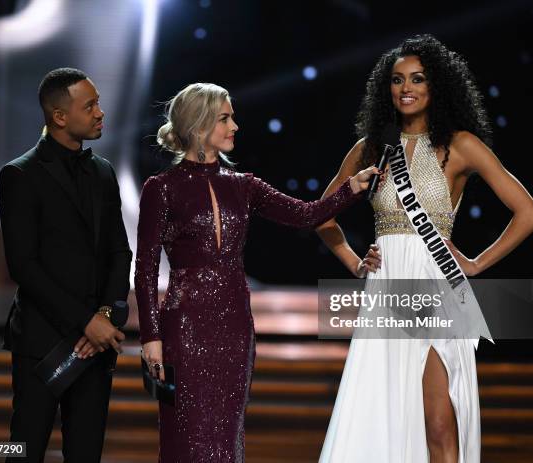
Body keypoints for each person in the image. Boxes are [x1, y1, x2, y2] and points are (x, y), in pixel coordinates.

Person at [316, 35, 533, 463]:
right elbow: (322, 214)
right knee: (386, 414)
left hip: (437, 283)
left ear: (436, 86)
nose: (406, 88)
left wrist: (476, 264)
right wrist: (353, 261)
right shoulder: (370, 150)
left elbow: (528, 213)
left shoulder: (461, 146)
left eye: (417, 79)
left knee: (439, 421)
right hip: (387, 289)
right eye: (398, 79)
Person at [135, 82, 383, 462]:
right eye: (225, 118)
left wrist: (351, 188)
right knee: (184, 437)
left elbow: (305, 215)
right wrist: (151, 337)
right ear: (200, 125)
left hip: (235, 327)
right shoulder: (161, 188)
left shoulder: (244, 186)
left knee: (228, 435)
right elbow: (146, 268)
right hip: (184, 326)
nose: (235, 125)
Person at [0, 67, 132, 462]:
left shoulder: (103, 172)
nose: (100, 113)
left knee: (86, 453)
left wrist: (105, 315)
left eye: (98, 103)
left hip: (95, 345)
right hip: (42, 342)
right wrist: (86, 321)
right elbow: (24, 265)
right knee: (24, 450)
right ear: (59, 116)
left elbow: (119, 252)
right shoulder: (20, 175)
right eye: (89, 106)